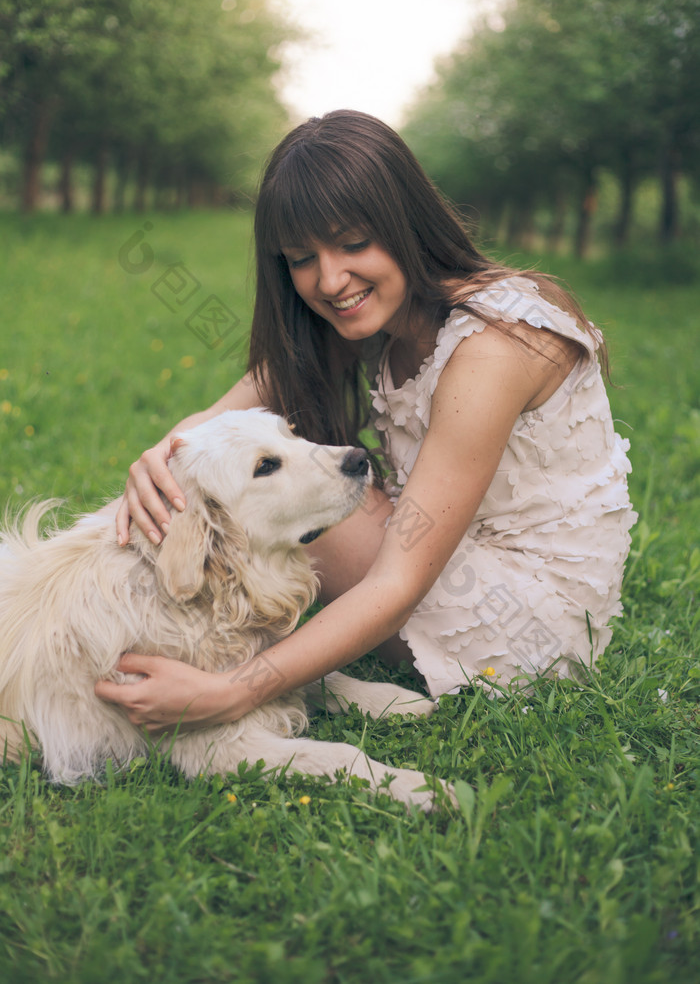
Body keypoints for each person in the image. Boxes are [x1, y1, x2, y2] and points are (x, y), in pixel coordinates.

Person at [95, 109, 636, 732]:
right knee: (237, 487)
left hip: (522, 620)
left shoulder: (490, 348)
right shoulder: (381, 311)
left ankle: (146, 656)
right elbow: (222, 417)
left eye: (354, 244)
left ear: (405, 222)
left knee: (276, 501)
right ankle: (104, 627)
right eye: (302, 257)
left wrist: (234, 692)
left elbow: (398, 579)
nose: (330, 279)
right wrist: (164, 454)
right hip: (451, 560)